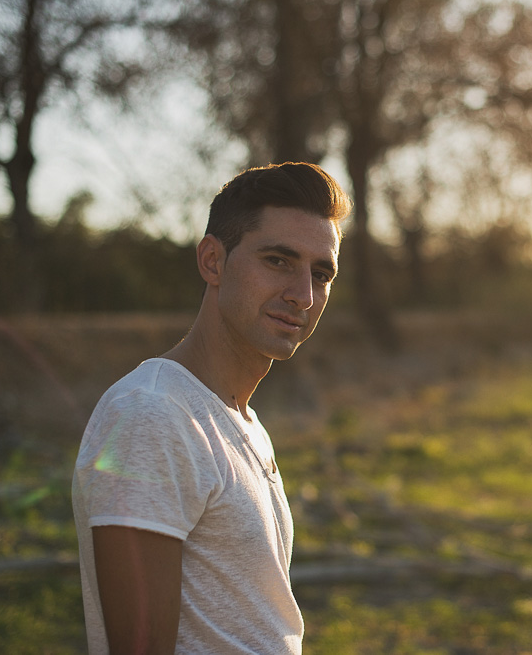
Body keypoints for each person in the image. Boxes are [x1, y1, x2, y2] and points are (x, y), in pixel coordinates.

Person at [72, 162, 352, 654]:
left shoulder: (240, 419)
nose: (303, 296)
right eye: (278, 261)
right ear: (212, 261)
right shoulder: (153, 415)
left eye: (320, 273)